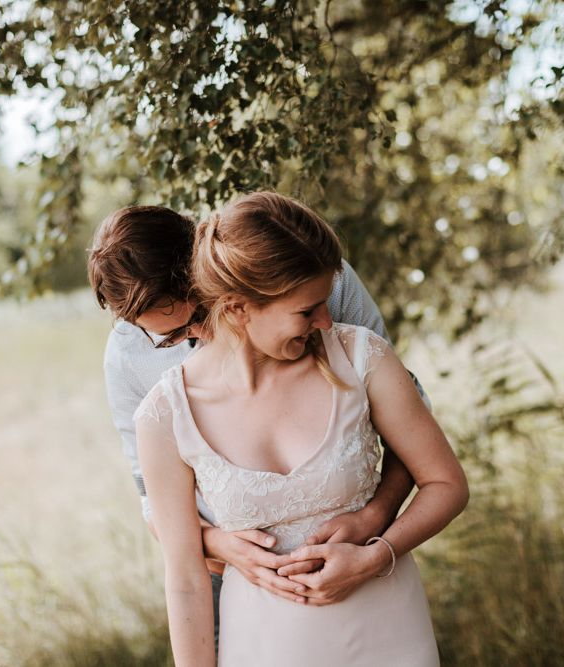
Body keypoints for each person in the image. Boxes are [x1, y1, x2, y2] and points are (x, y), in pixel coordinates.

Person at [134, 192, 469, 666]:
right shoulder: (164, 414)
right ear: (237, 309)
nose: (327, 320)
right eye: (307, 310)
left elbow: (447, 484)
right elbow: (186, 579)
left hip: (389, 635)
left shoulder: (360, 356)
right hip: (261, 646)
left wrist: (377, 554)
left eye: (326, 301)